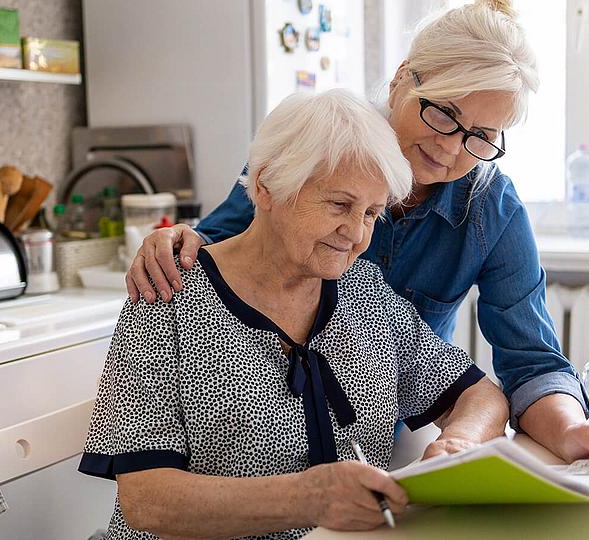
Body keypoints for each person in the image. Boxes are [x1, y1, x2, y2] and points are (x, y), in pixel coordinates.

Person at [125, 0, 589, 465]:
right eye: (445, 113)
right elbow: (216, 249)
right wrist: (175, 239)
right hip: (266, 440)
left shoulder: (491, 208)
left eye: (481, 137)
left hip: (392, 434)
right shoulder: (319, 147)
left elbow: (530, 360)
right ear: (403, 79)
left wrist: (573, 430)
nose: (451, 149)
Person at [80, 90, 509, 538]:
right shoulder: (169, 295)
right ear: (265, 185)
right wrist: (307, 499)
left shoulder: (366, 294)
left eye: (371, 212)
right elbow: (146, 500)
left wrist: (458, 443)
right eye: (339, 205)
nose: (356, 233)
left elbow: (481, 396)